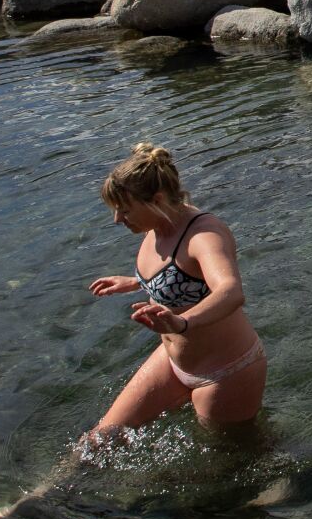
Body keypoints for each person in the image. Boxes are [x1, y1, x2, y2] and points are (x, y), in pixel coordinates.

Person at [86, 143, 266, 438]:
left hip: (225, 371)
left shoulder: (204, 236)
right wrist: (135, 281)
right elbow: (179, 274)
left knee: (234, 461)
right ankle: (49, 486)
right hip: (172, 361)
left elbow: (231, 291)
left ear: (156, 200)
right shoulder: (156, 224)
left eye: (125, 211)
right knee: (102, 438)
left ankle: (283, 480)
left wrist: (183, 323)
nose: (117, 220)